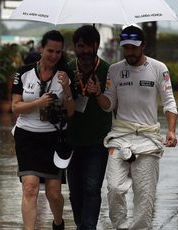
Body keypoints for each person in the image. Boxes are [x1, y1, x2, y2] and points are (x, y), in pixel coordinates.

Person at [87, 25, 178, 230]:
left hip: (148, 139)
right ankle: (120, 227)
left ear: (143, 46)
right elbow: (108, 104)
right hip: (120, 136)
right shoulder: (114, 70)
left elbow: (169, 102)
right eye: (126, 47)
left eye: (133, 48)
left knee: (144, 195)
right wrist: (97, 93)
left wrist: (171, 130)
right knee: (114, 188)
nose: (129, 52)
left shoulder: (159, 68)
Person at [11, 30, 75, 230]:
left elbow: (71, 112)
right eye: (50, 51)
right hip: (27, 136)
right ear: (41, 49)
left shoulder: (65, 75)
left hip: (52, 137)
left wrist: (66, 90)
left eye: (58, 52)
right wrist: (38, 103)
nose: (54, 56)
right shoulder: (23, 73)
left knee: (53, 192)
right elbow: (15, 107)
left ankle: (58, 223)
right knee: (29, 187)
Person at [66, 25, 112, 229]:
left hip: (98, 140)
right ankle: (80, 224)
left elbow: (112, 104)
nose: (85, 51)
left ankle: (88, 227)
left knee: (92, 187)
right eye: (80, 46)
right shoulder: (66, 69)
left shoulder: (108, 70)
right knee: (75, 190)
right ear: (75, 47)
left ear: (97, 46)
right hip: (72, 140)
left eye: (88, 46)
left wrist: (98, 92)